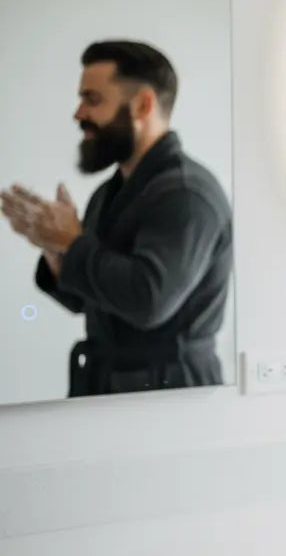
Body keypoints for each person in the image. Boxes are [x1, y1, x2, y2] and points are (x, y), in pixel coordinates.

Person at [0, 40, 232, 397]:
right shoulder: (109, 193)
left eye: (92, 100)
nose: (78, 114)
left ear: (143, 104)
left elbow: (148, 300)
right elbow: (87, 299)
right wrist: (53, 248)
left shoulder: (186, 195)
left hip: (172, 398)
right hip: (112, 389)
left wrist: (69, 242)